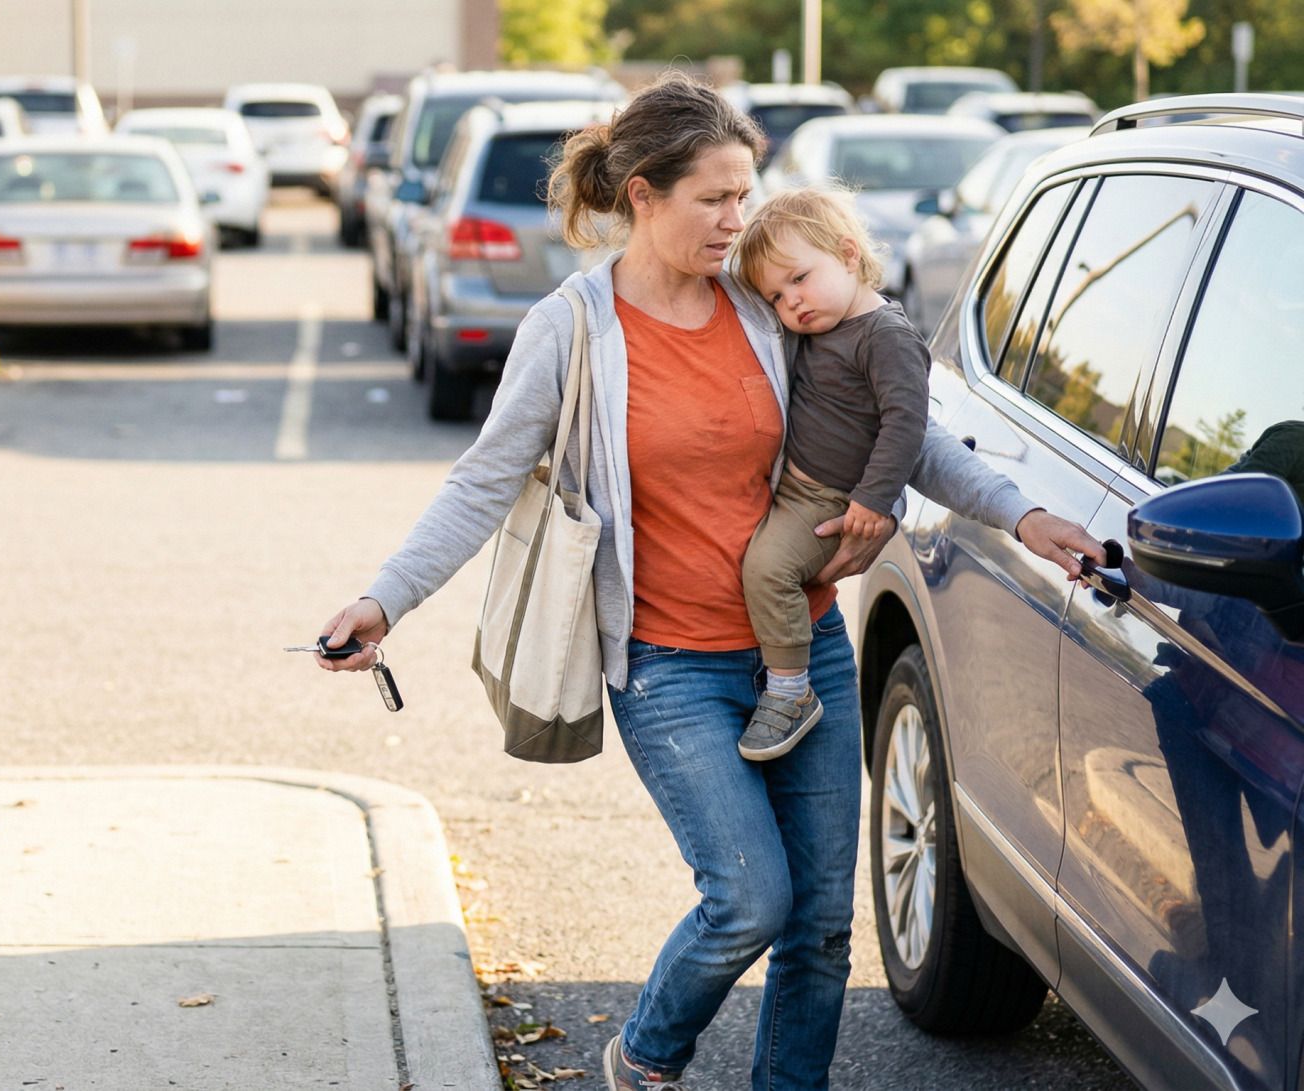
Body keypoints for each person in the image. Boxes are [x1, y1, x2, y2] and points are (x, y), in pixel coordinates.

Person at [310, 74, 1105, 1091]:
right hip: (666, 664)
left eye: (744, 193)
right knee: (747, 898)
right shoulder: (574, 329)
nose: (738, 220)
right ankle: (643, 1054)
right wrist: (383, 597)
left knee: (819, 926)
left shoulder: (769, 307)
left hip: (802, 648)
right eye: (713, 199)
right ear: (642, 194)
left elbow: (903, 432)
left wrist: (1024, 517)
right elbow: (483, 479)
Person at [727, 187, 927, 762]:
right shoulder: (816, 328)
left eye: (799, 278)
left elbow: (906, 424)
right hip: (795, 486)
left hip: (832, 501)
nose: (791, 302)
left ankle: (790, 690)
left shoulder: (885, 336)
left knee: (768, 569)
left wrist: (875, 501)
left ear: (846, 253)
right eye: (776, 295)